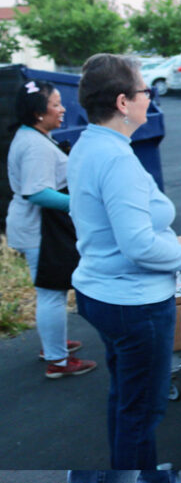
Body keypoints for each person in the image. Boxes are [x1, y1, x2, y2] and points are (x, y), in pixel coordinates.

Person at [67, 54, 181, 472]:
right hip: (134, 304)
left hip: (102, 291)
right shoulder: (116, 159)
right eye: (146, 90)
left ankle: (124, 472)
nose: (151, 98)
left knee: (126, 400)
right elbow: (139, 245)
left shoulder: (89, 144)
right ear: (123, 103)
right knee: (141, 414)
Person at [5, 79, 97, 379]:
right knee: (52, 293)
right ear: (37, 113)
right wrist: (80, 203)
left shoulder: (32, 136)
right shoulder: (34, 146)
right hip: (39, 230)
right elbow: (38, 192)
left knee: (51, 291)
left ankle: (53, 345)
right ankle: (57, 361)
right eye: (56, 104)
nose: (62, 110)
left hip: (37, 228)